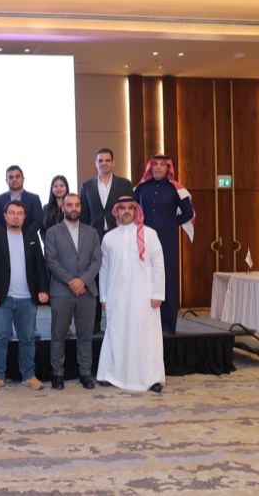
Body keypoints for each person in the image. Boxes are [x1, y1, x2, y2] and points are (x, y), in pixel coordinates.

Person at [96, 197, 166, 393]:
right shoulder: (109, 238)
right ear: (116, 212)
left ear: (136, 212)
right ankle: (111, 374)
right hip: (116, 295)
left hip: (144, 296)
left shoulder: (149, 234)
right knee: (116, 333)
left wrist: (158, 293)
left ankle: (152, 378)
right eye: (122, 208)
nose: (126, 211)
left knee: (147, 335)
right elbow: (104, 269)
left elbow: (158, 265)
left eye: (130, 208)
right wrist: (104, 297)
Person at [0, 200, 49, 392]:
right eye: (12, 213)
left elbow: (40, 266)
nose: (15, 217)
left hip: (27, 298)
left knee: (27, 338)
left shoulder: (32, 237)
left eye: (19, 213)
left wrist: (43, 289)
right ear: (5, 216)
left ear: (24, 217)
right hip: (2, 298)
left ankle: (29, 375)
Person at [44, 193, 102, 390]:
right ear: (63, 208)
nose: (73, 208)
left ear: (81, 208)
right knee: (58, 335)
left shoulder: (92, 232)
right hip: (61, 291)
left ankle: (85, 373)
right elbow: (51, 261)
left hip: (87, 291)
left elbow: (97, 261)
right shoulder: (52, 232)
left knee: (85, 336)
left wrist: (82, 281)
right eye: (69, 205)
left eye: (77, 205)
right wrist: (72, 281)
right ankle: (57, 374)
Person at [134, 154, 195, 335]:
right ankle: (143, 324)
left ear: (168, 168)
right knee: (143, 277)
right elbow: (132, 210)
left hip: (168, 241)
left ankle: (167, 325)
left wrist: (170, 223)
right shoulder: (141, 188)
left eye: (162, 164)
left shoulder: (176, 189)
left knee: (168, 279)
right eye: (155, 164)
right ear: (150, 167)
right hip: (143, 240)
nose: (158, 167)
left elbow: (188, 213)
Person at [79, 147, 135, 333]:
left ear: (113, 163)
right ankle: (94, 324)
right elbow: (84, 216)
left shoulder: (124, 184)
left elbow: (131, 210)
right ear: (95, 163)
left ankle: (118, 324)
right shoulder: (86, 186)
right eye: (100, 161)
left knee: (118, 277)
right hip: (93, 238)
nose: (104, 163)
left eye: (107, 160)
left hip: (118, 235)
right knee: (94, 280)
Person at [0, 165, 44, 237]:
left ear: (23, 179)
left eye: (17, 176)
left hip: (28, 239)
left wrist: (23, 236)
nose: (14, 179)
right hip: (3, 240)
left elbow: (38, 221)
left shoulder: (34, 198)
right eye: (11, 177)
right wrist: (6, 236)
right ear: (6, 181)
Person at [40, 174, 69, 242]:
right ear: (52, 189)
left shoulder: (71, 207)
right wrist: (48, 244)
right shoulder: (46, 208)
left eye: (62, 185)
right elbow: (42, 231)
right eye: (55, 186)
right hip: (50, 245)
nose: (58, 188)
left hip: (68, 245)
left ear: (66, 188)